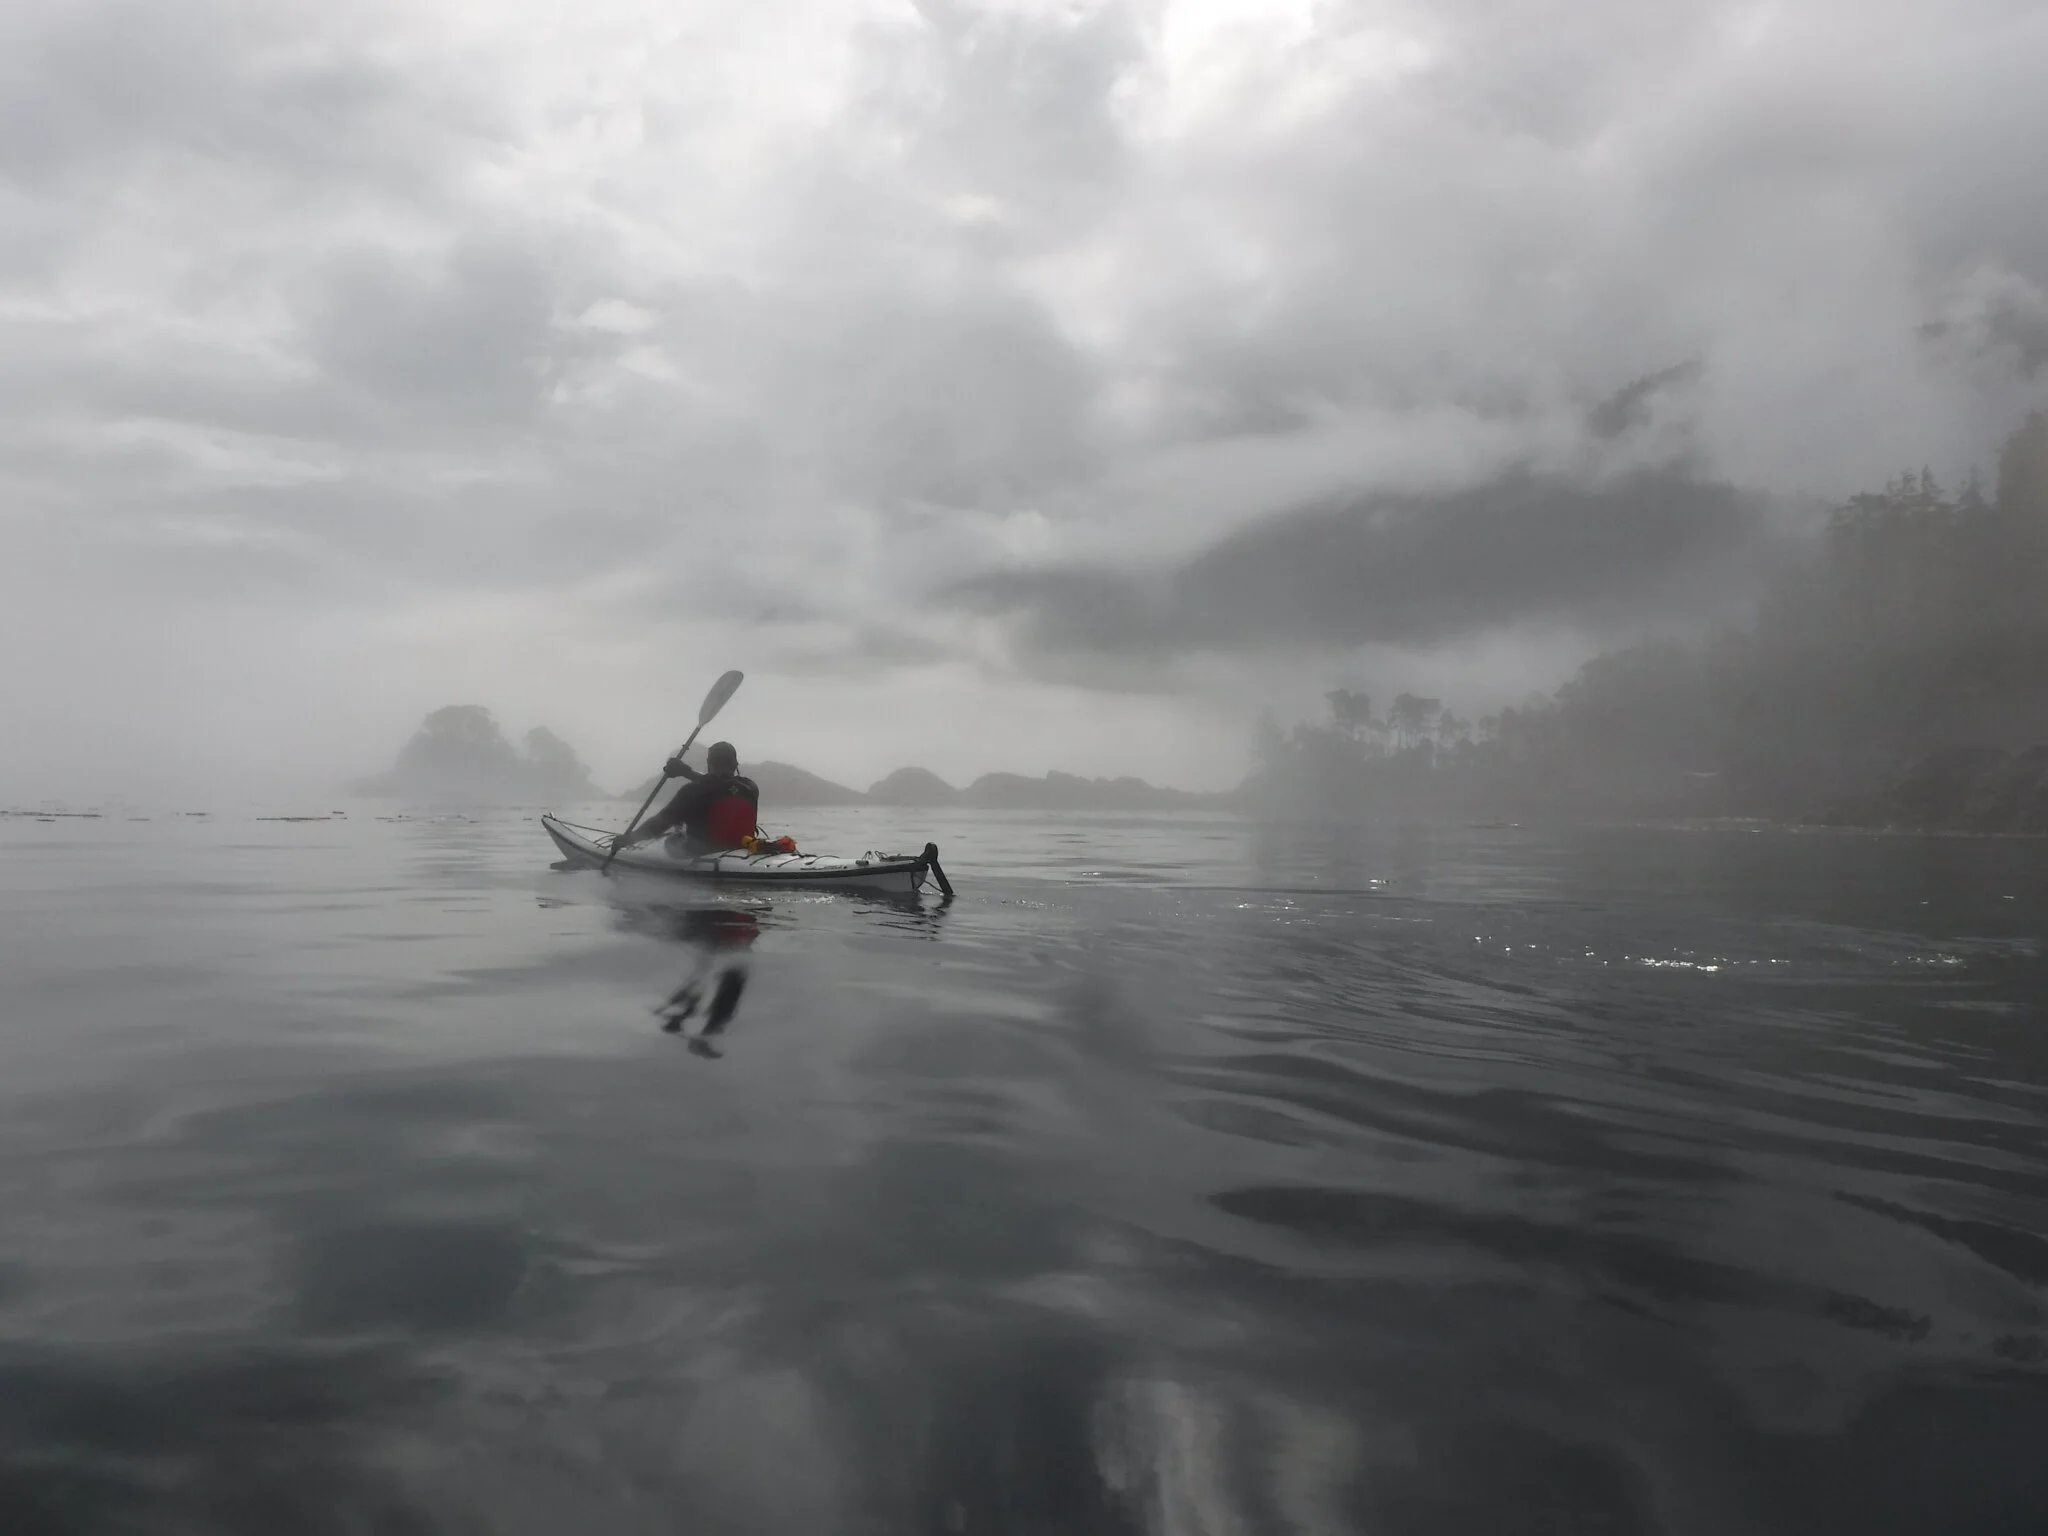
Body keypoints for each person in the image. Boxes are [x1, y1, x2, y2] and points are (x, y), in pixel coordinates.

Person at [613, 741, 759, 854]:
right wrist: (685, 772)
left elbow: (658, 825)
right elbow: (720, 784)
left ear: (709, 763)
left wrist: (629, 839)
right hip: (741, 849)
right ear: (735, 764)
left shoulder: (692, 792)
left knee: (671, 839)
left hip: (701, 852)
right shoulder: (750, 788)